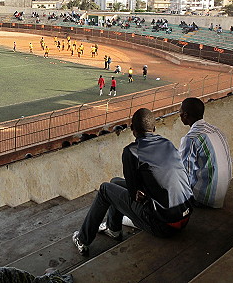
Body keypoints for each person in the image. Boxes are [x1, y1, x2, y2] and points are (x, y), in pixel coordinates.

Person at [72, 108, 194, 256]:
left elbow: (133, 194)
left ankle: (83, 239)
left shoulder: (132, 151)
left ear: (132, 129)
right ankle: (113, 229)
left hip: (163, 226)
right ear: (154, 128)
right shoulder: (167, 143)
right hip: (184, 217)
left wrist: (140, 192)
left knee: (105, 189)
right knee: (115, 182)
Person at [179, 98, 232, 208]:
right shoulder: (216, 130)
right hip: (222, 193)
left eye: (180, 112)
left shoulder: (191, 139)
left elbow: (184, 175)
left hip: (205, 199)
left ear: (185, 115)